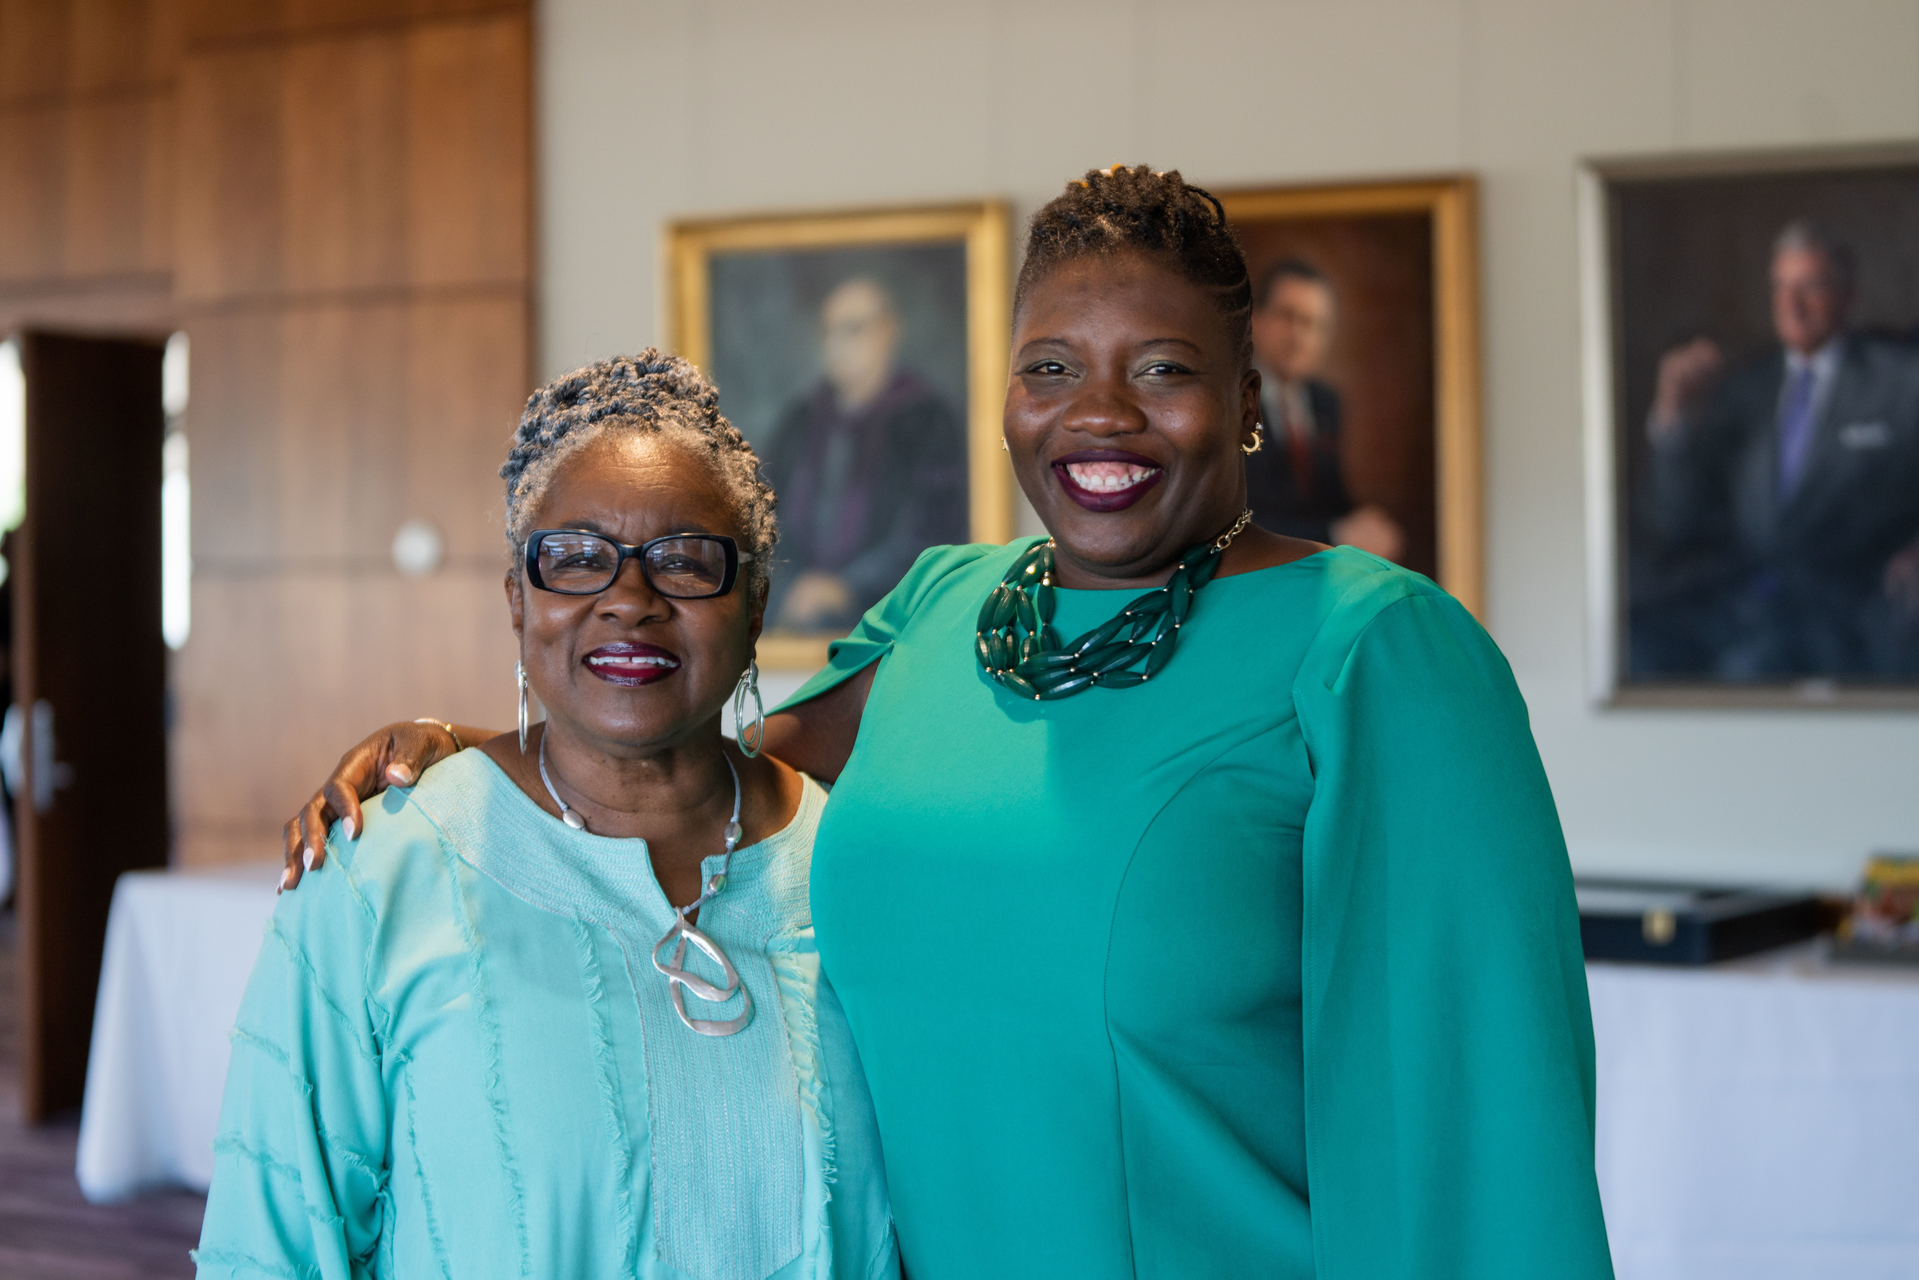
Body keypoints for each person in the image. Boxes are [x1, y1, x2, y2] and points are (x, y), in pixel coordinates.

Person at [284, 167, 1613, 1278]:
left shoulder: (1373, 650)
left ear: (1250, 402)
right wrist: (475, 753)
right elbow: (693, 783)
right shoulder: (945, 607)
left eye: (1163, 369)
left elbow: (1481, 1130)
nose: (1100, 414)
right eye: (1052, 366)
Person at [196, 356, 899, 1280]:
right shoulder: (375, 877)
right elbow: (270, 1251)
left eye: (685, 561)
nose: (630, 601)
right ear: (518, 601)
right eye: (575, 558)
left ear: (754, 604)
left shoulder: (852, 868)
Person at [1637, 219, 1919, 677]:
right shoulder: (1744, 388)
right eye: (1781, 288)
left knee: (1751, 667)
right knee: (1638, 650)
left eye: (1810, 287)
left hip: (1853, 614)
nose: (1792, 305)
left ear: (1847, 295)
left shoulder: (1901, 380)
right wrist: (1674, 422)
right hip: (1742, 604)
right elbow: (1675, 521)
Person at [763, 276, 967, 633]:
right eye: (828, 331)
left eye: (852, 329)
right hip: (799, 618)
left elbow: (934, 529)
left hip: (891, 618)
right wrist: (793, 584)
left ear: (888, 331)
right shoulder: (802, 420)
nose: (837, 344)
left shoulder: (924, 419)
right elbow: (766, 511)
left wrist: (846, 587)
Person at [1244, 257, 1404, 560]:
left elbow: (1329, 498)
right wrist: (1334, 534)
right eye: (1287, 316)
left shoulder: (1326, 403)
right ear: (1257, 319)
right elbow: (1241, 521)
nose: (1299, 336)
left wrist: (1364, 522)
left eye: (1313, 324)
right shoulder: (1232, 400)